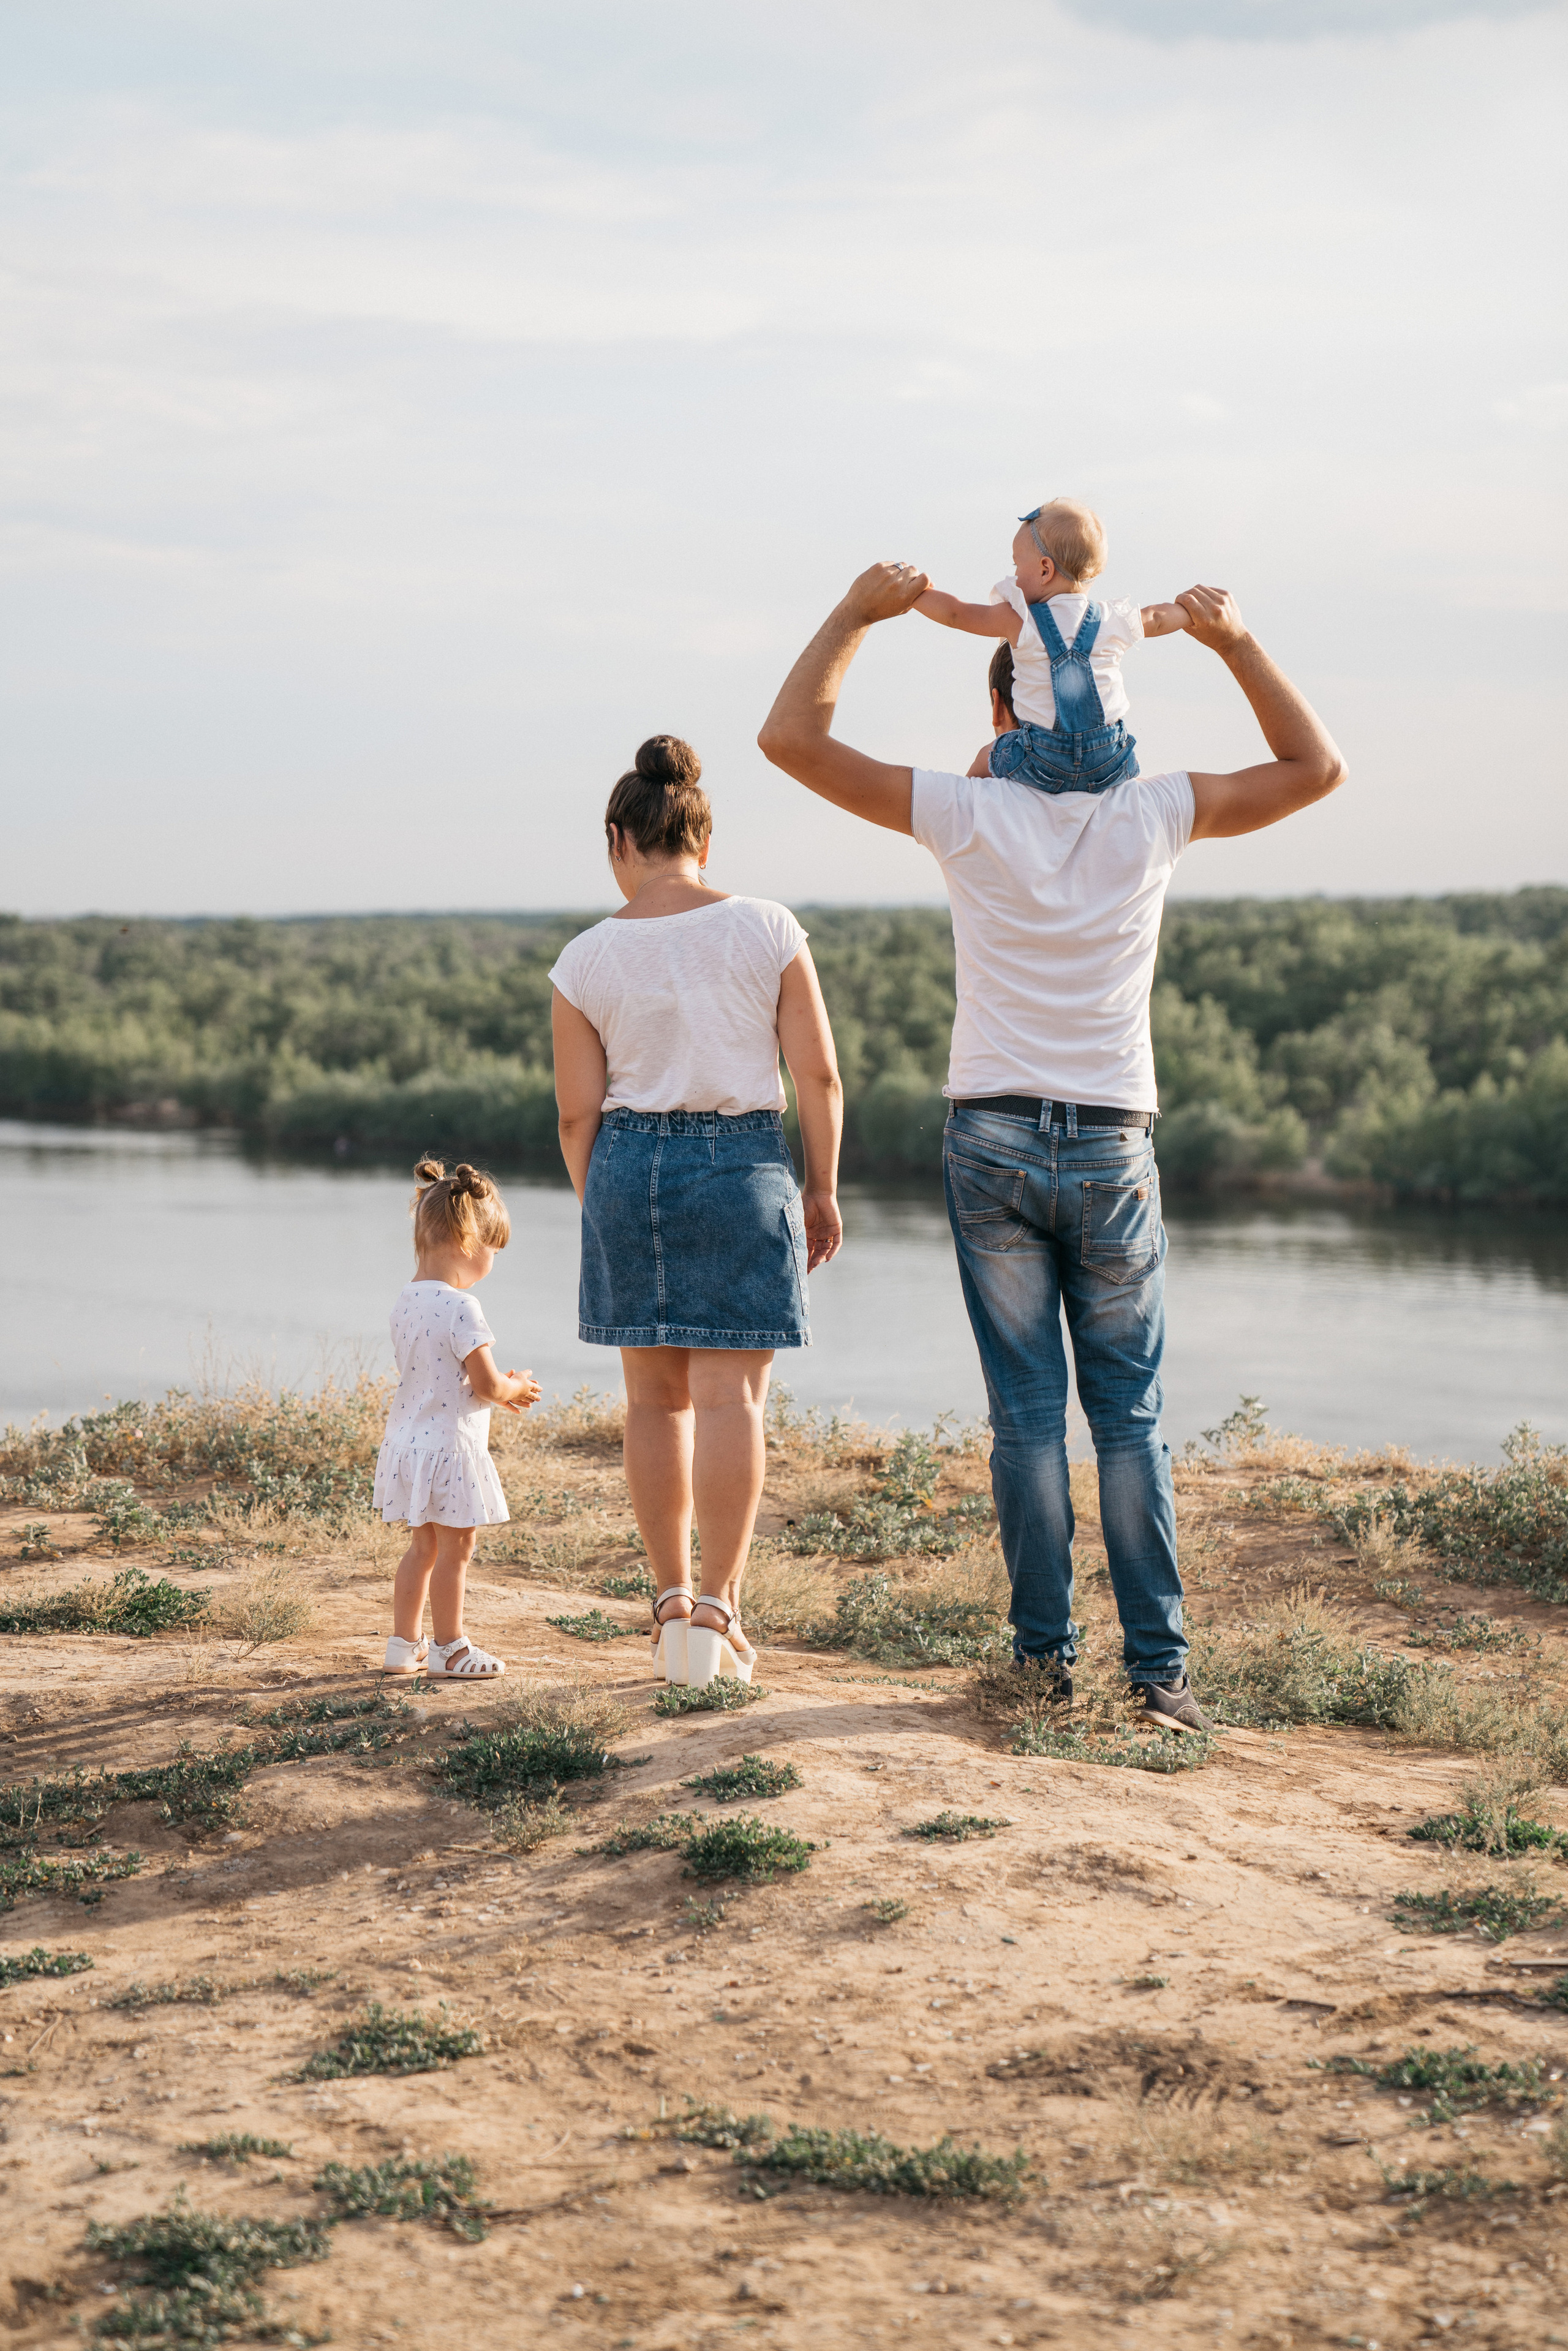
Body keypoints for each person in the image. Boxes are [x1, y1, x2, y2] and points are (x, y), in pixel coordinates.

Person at [758, 566, 1346, 1731]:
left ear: (999, 717)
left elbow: (790, 738)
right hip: (1114, 1143)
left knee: (1027, 1418)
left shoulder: (969, 813)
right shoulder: (1155, 809)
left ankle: (1040, 1664)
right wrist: (1231, 642)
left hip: (991, 1138)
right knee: (1127, 1416)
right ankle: (1159, 1676)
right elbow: (1315, 768)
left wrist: (858, 616)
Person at [549, 735, 843, 1688]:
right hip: (744, 1161)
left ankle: (670, 1603)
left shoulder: (584, 957)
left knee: (652, 1400)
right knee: (731, 1398)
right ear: (702, 837)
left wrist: (606, 1198)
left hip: (628, 1164)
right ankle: (720, 1609)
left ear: (617, 840)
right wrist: (822, 1186)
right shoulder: (768, 928)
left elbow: (574, 1113)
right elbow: (819, 1075)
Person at [372, 1159, 541, 1678]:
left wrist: (486, 1392)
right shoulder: (463, 1307)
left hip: (408, 1442)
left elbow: (438, 1374)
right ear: (470, 1241)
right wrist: (515, 1387)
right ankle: (450, 1648)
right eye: (494, 1249)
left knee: (422, 1547)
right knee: (457, 1549)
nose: (494, 1259)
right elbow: (488, 1384)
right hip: (449, 1448)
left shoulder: (405, 1301)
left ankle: (404, 1646)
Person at [914, 497, 1193, 796]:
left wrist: (913, 595)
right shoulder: (1113, 620)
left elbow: (957, 613)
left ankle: (968, 809)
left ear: (1045, 570)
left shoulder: (1021, 621)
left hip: (1042, 760)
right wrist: (1194, 612)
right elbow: (1158, 618)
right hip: (1110, 759)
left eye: (1017, 563)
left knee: (989, 755)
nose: (1015, 573)